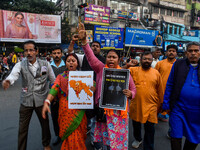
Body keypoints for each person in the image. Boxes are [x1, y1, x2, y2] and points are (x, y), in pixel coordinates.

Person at [78, 22, 136, 150]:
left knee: (117, 144)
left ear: (118, 60)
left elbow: (133, 89)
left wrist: (130, 94)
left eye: (114, 57)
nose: (111, 59)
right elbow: (90, 56)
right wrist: (84, 42)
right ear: (106, 59)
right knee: (106, 141)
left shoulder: (125, 74)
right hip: (104, 112)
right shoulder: (100, 69)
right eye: (109, 57)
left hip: (119, 114)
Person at [2, 40, 55, 150]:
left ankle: (46, 144)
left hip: (41, 100)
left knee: (45, 125)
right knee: (22, 129)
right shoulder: (20, 64)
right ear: (24, 53)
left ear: (36, 51)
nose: (29, 53)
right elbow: (13, 75)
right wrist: (8, 81)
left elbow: (53, 81)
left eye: (31, 50)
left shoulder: (46, 64)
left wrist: (53, 96)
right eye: (26, 51)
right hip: (26, 101)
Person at [42, 53, 92, 150]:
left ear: (77, 63)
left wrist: (92, 88)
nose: (71, 63)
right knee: (69, 135)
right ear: (66, 64)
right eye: (68, 61)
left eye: (73, 61)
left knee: (79, 135)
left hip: (79, 110)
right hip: (65, 110)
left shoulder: (85, 77)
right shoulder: (61, 77)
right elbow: (54, 88)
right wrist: (47, 101)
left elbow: (90, 89)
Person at [163, 42, 200, 150]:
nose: (193, 53)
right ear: (186, 53)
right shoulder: (178, 64)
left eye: (196, 51)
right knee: (175, 135)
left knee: (194, 138)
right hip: (178, 108)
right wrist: (166, 103)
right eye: (190, 51)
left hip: (197, 112)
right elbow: (170, 84)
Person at [129, 51, 164, 150]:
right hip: (136, 104)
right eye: (145, 59)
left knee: (150, 128)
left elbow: (160, 90)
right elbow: (120, 72)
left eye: (149, 59)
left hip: (151, 105)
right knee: (136, 124)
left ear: (152, 60)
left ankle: (148, 147)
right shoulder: (133, 70)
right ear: (141, 60)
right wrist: (127, 64)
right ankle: (138, 138)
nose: (147, 61)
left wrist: (161, 104)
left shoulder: (156, 73)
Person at [155, 44, 177, 122]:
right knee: (156, 107)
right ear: (166, 52)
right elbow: (154, 76)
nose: (171, 52)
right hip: (159, 90)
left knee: (172, 109)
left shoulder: (179, 64)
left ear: (176, 53)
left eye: (173, 51)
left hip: (173, 91)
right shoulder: (160, 63)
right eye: (169, 51)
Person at [50, 46, 66, 145]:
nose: (56, 55)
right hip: (53, 97)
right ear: (52, 54)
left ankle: (65, 134)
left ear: (61, 54)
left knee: (65, 116)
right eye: (54, 53)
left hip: (65, 96)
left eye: (58, 53)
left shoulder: (67, 65)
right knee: (55, 117)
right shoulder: (48, 66)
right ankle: (57, 135)